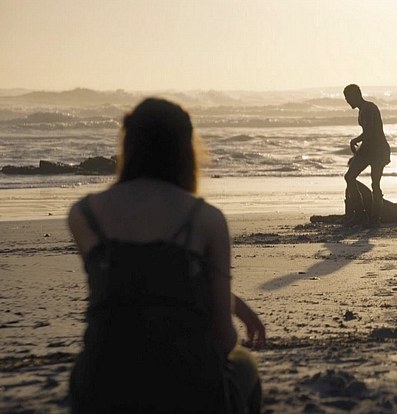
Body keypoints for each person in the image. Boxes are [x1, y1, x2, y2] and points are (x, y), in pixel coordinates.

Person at [67, 98, 265, 413]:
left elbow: (132, 284)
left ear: (128, 143)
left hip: (101, 387)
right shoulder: (205, 218)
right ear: (186, 149)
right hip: (189, 390)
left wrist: (237, 303)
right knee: (244, 362)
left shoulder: (84, 215)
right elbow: (224, 337)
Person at [343, 84, 391, 227]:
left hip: (378, 150)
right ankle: (360, 214)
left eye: (348, 98)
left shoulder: (369, 109)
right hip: (368, 149)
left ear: (355, 96)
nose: (347, 101)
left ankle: (374, 218)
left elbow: (369, 133)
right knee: (350, 177)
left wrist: (354, 141)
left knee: (375, 183)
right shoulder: (363, 109)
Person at [310, 179, 397, 225]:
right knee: (353, 213)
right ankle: (321, 219)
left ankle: (347, 213)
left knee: (352, 181)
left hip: (383, 207)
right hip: (382, 213)